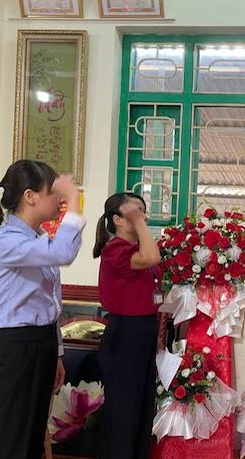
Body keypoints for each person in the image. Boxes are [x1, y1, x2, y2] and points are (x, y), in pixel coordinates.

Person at [0, 159, 85, 459]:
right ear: (30, 197)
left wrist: (58, 352)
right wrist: (75, 199)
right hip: (14, 349)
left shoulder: (38, 238)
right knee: (11, 445)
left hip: (41, 344)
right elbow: (64, 252)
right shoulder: (4, 239)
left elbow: (50, 302)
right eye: (54, 192)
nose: (60, 199)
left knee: (31, 444)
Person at [93, 192, 162, 459]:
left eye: (143, 211)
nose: (141, 216)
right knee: (124, 412)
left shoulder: (137, 249)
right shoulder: (115, 250)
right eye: (134, 212)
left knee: (142, 409)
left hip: (144, 331)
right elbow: (152, 258)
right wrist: (141, 224)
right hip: (125, 335)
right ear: (118, 220)